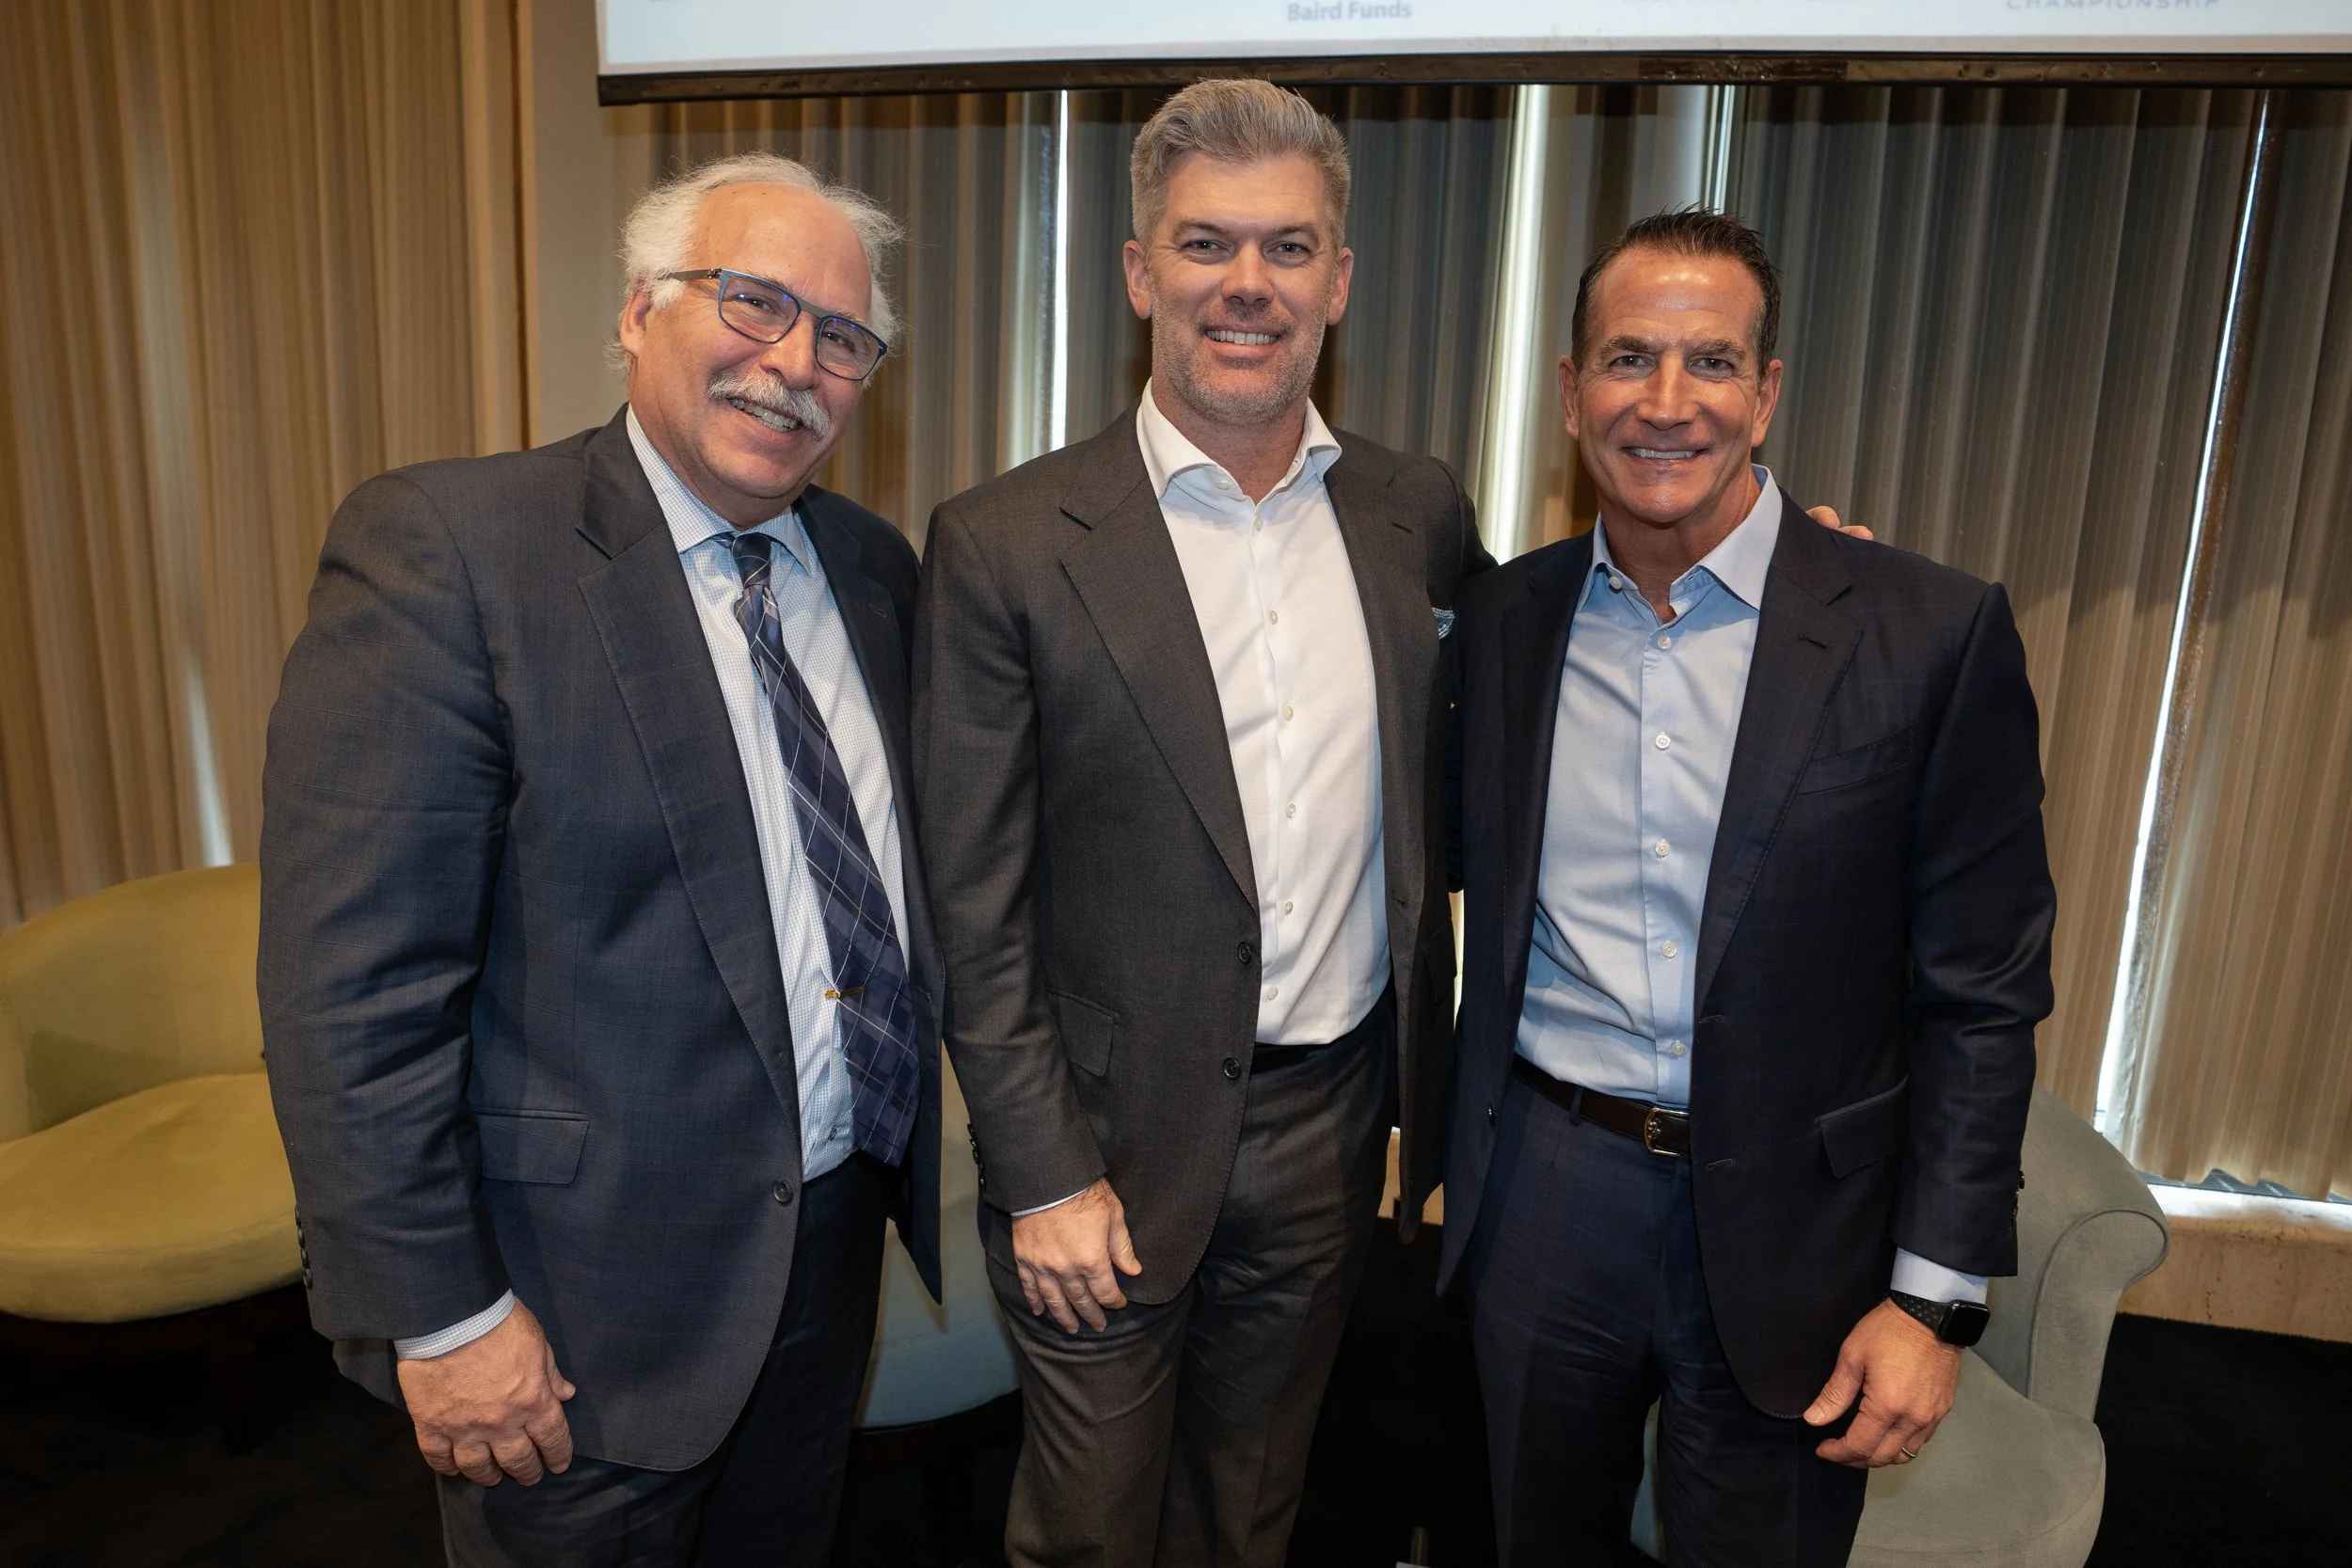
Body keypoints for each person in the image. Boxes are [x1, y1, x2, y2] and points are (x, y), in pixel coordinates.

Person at [259, 151, 944, 1567]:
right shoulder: (456, 551)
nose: (795, 361)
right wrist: (443, 1316)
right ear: (640, 311)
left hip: (822, 1260)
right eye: (751, 301)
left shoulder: (873, 574)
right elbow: (353, 994)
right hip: (571, 1318)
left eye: (843, 336)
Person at [913, 79, 1490, 1566]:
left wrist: (1787, 543)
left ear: (1339, 281)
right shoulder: (1007, 540)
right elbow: (973, 901)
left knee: (1253, 1511)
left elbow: (1523, 707)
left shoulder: (1411, 508)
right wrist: (1039, 1169)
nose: (1248, 285)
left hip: (1326, 1128)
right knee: (1095, 1531)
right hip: (1098, 1142)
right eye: (1207, 245)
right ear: (1138, 271)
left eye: (1289, 249)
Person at [1439, 207, 2055, 1565]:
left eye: (1711, 362)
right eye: (1627, 359)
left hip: (1804, 1221)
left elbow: (1984, 994)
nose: (1667, 403)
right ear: (1569, 392)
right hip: (1548, 1191)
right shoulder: (1505, 622)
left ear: (1768, 391)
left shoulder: (1926, 633)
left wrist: (1935, 1298)